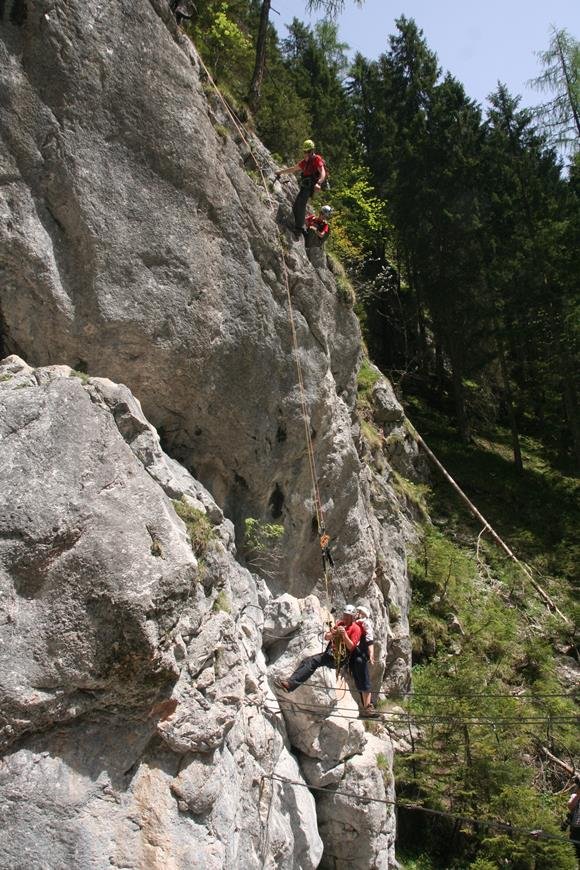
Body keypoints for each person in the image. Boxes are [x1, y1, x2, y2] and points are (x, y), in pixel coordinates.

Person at [275, 605, 378, 717]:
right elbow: (326, 637)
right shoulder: (340, 624)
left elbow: (351, 647)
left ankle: (368, 705)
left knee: (315, 662)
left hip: (340, 658)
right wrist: (334, 633)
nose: (346, 618)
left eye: (348, 616)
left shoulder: (356, 629)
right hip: (330, 654)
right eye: (345, 616)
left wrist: (344, 635)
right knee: (310, 661)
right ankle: (290, 684)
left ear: (353, 617)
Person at [276, 139, 326, 235]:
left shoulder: (317, 159)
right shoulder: (304, 162)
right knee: (296, 205)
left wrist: (319, 183)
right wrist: (280, 172)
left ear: (312, 151)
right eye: (305, 151)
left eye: (308, 151)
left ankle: (299, 228)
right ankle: (297, 224)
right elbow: (293, 169)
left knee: (301, 204)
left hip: (310, 186)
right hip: (304, 186)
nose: (306, 153)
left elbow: (322, 172)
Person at [567, 775, 580, 859]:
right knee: (575, 855)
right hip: (576, 830)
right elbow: (570, 806)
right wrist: (578, 795)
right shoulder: (575, 796)